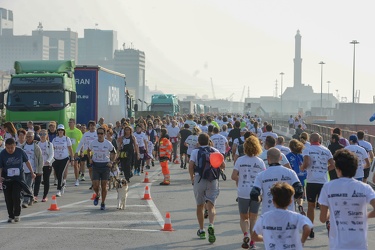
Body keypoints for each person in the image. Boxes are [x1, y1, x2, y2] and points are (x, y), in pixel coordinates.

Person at [319, 149, 375, 250]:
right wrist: (365, 216)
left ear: (338, 169)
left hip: (338, 245)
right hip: (359, 243)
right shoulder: (364, 187)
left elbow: (323, 218)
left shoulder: (328, 187)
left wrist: (330, 214)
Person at [252, 182, 312, 250]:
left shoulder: (265, 217)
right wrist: (301, 242)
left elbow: (254, 237)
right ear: (291, 201)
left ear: (273, 201)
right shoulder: (296, 216)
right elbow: (307, 229)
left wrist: (268, 238)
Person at [189, 133, 225, 244]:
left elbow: (191, 166)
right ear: (209, 140)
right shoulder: (215, 150)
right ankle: (211, 224)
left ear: (198, 142)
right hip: (212, 180)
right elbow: (223, 165)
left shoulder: (195, 152)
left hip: (199, 179)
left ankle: (202, 230)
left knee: (200, 206)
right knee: (211, 205)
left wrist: (192, 178)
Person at [231, 136, 266, 249]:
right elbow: (264, 178)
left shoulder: (240, 160)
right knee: (253, 218)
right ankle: (252, 242)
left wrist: (240, 179)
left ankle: (245, 234)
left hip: (243, 192)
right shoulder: (260, 161)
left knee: (243, 217)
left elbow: (233, 176)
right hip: (256, 192)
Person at [300, 132, 334, 239]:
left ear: (310, 140)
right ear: (319, 140)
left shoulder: (307, 149)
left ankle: (310, 228)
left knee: (311, 206)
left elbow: (306, 161)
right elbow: (333, 164)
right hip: (323, 181)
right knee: (325, 205)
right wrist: (325, 170)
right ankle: (328, 222)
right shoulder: (326, 150)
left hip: (312, 180)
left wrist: (303, 167)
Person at [251, 148, 303, 215]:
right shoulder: (290, 172)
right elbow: (299, 190)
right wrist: (293, 199)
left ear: (267, 158)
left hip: (268, 213)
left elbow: (254, 194)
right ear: (281, 158)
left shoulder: (261, 175)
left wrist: (261, 199)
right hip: (288, 211)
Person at [0, 138, 35, 223]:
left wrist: (32, 172)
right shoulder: (2, 154)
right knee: (8, 198)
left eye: (12, 147)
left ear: (15, 145)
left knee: (16, 196)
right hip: (7, 178)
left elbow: (27, 162)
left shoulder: (20, 151)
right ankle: (10, 216)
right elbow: (0, 167)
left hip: (18, 178)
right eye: (8, 148)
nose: (10, 150)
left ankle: (16, 215)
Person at [88, 127, 117, 210]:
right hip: (96, 165)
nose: (100, 135)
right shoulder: (93, 142)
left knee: (104, 185)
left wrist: (111, 162)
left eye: (101, 133)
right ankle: (97, 195)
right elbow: (88, 150)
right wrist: (90, 158)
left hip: (105, 166)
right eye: (98, 133)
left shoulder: (108, 143)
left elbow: (114, 152)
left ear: (104, 134)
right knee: (95, 185)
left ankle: (103, 202)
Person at [21, 131, 43, 207]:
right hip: (23, 169)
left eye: (30, 136)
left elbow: (40, 159)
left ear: (33, 137)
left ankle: (25, 201)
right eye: (27, 136)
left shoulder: (36, 147)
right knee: (25, 185)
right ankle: (32, 197)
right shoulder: (23, 146)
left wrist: (39, 170)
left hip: (32, 169)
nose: (28, 138)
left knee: (28, 185)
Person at [52, 124, 74, 197]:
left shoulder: (66, 139)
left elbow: (70, 149)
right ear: (57, 131)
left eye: (62, 130)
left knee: (61, 172)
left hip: (64, 158)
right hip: (56, 159)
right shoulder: (54, 139)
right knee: (58, 174)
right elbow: (53, 150)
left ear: (64, 131)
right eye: (59, 130)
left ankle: (59, 190)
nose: (60, 131)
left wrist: (72, 158)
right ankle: (62, 183)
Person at [286, 139, 307, 214]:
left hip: (292, 177)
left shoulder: (287, 156)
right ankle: (300, 205)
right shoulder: (301, 156)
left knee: (292, 194)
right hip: (301, 177)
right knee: (300, 194)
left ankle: (293, 208)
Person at [75, 121, 97, 185]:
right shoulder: (86, 134)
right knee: (90, 168)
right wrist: (77, 151)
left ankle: (96, 182)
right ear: (89, 127)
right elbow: (81, 143)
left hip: (95, 153)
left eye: (93, 126)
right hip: (87, 153)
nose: (92, 127)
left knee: (95, 169)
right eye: (91, 126)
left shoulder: (97, 134)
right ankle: (93, 182)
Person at [37, 129, 54, 202]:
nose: (42, 136)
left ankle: (45, 196)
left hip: (47, 165)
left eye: (44, 134)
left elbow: (52, 154)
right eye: (41, 134)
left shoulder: (50, 144)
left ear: (47, 135)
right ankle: (35, 195)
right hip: (39, 165)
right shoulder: (37, 144)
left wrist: (48, 161)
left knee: (46, 180)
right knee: (37, 180)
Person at [65, 118, 82, 186]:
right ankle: (64, 180)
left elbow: (81, 142)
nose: (69, 123)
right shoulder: (66, 131)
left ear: (74, 123)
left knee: (75, 165)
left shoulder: (78, 131)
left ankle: (77, 179)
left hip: (75, 151)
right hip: (67, 152)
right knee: (66, 166)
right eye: (69, 122)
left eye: (71, 122)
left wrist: (81, 151)